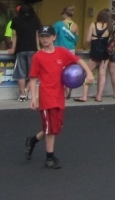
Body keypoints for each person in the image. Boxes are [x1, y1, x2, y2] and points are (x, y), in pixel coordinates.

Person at [24, 25, 94, 169]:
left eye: (47, 36)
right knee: (50, 129)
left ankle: (32, 141)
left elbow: (78, 60)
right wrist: (33, 98)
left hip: (58, 96)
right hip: (46, 96)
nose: (44, 39)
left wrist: (89, 73)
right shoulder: (38, 56)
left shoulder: (61, 52)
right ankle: (49, 158)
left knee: (54, 127)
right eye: (42, 37)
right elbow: (33, 78)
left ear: (54, 37)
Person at [8, 5, 41, 101]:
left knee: (21, 72)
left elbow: (14, 35)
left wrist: (13, 48)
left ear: (19, 12)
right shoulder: (35, 21)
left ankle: (22, 94)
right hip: (32, 49)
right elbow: (37, 35)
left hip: (20, 49)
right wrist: (38, 48)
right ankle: (27, 89)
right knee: (33, 72)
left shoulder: (15, 20)